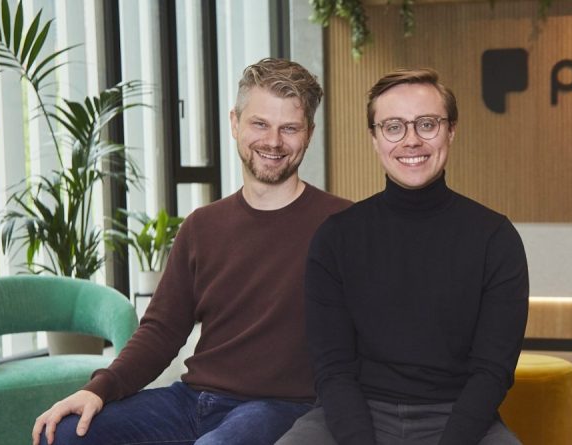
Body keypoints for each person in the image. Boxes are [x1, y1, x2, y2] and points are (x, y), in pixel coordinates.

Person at [32, 58, 351, 445]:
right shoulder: (202, 226)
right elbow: (161, 332)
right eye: (260, 124)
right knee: (64, 434)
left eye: (289, 128)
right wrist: (97, 390)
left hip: (280, 408)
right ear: (234, 123)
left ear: (309, 134)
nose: (273, 142)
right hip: (192, 400)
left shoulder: (343, 226)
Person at [276, 68, 530, 445]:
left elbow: (492, 371)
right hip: (355, 414)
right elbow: (333, 368)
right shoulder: (337, 237)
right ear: (375, 138)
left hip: (459, 418)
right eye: (393, 127)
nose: (411, 140)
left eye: (427, 124)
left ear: (451, 130)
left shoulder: (495, 238)